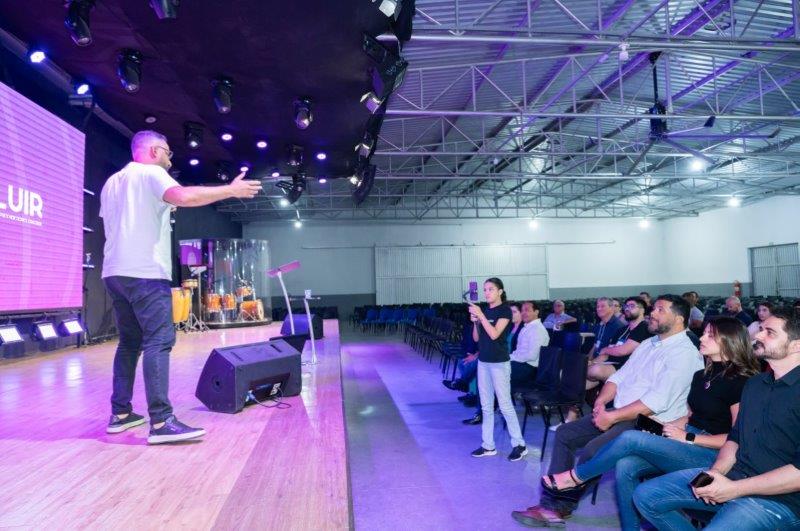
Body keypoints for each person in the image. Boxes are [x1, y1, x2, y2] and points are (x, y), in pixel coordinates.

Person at [100, 130, 261, 444]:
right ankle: (161, 421)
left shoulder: (112, 183)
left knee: (130, 343)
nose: (170, 161)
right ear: (155, 151)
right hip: (145, 272)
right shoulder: (151, 173)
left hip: (114, 273)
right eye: (168, 153)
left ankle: (120, 414)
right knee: (159, 341)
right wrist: (231, 190)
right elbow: (184, 197)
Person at [539, 317, 758, 530]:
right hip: (687, 439)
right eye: (705, 333)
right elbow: (691, 417)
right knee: (625, 465)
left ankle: (576, 477)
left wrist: (689, 437)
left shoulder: (742, 382)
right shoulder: (702, 375)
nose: (701, 338)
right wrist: (666, 427)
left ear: (729, 341)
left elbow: (737, 438)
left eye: (710, 335)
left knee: (630, 437)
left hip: (714, 453)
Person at [511, 295, 703, 527]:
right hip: (621, 412)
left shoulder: (683, 353)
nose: (652, 313)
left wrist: (612, 416)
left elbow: (655, 403)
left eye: (660, 310)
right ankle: (553, 503)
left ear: (679, 319)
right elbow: (618, 377)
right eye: (654, 308)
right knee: (565, 434)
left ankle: (557, 507)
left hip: (650, 423)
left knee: (594, 449)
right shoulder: (649, 344)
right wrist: (601, 403)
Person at [633, 309, 800, 530]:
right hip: (735, 475)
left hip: (779, 500)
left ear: (796, 345)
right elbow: (735, 438)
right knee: (645, 495)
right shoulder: (756, 384)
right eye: (760, 329)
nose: (758, 335)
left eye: (770, 332)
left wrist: (735, 489)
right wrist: (716, 472)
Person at [467, 278, 528, 461]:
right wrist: (475, 321)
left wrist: (481, 316)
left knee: (505, 405)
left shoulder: (505, 311)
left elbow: (494, 334)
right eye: (485, 289)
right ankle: (488, 445)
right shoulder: (486, 311)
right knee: (486, 406)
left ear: (500, 291)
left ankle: (519, 444)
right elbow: (477, 338)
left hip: (499, 363)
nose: (487, 293)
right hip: (484, 362)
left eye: (491, 289)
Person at [586, 296, 651, 384]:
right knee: (582, 372)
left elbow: (623, 350)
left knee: (594, 370)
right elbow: (606, 354)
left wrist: (605, 349)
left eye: (632, 306)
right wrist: (592, 362)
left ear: (642, 310)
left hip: (629, 368)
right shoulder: (622, 330)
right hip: (612, 364)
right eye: (626, 306)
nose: (627, 309)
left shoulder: (644, 327)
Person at [510, 301, 550, 389]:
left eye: (527, 310)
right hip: (520, 363)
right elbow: (519, 351)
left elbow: (532, 356)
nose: (523, 313)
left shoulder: (538, 329)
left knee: (498, 371)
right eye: (522, 310)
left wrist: (511, 358)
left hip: (529, 367)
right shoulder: (526, 327)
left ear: (536, 312)